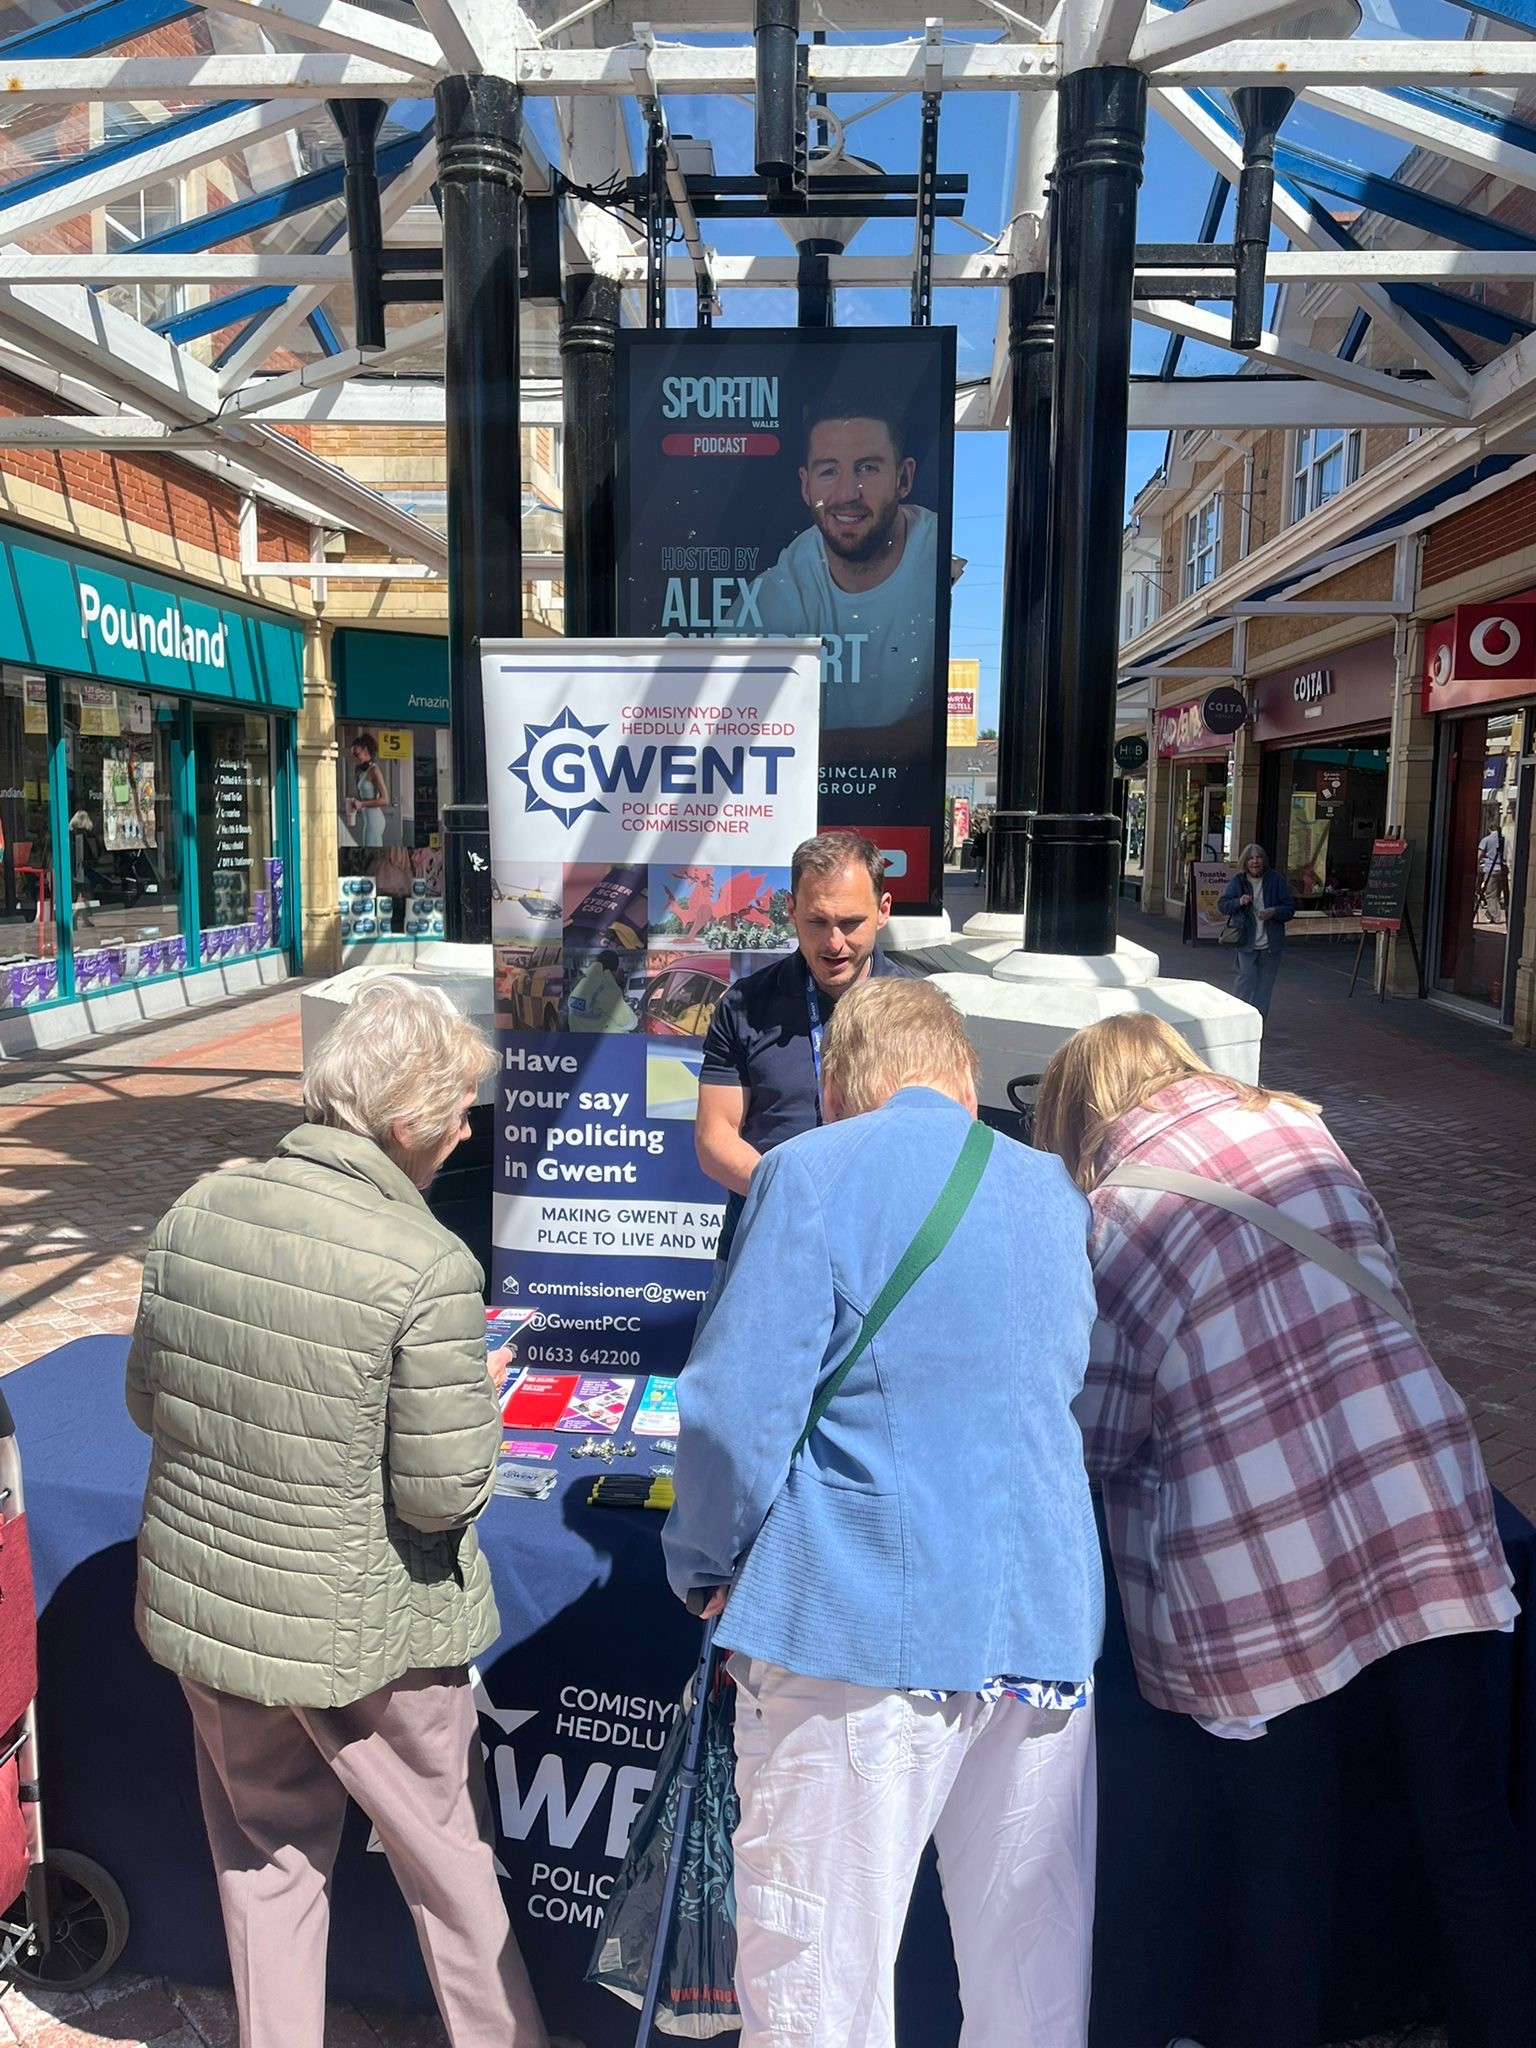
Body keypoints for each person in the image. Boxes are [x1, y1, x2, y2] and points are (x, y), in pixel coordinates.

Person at [1034, 1012, 1533, 2048]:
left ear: (1080, 1112)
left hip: (1263, 1567)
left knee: (1282, 1863)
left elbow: (1105, 1433)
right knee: (1470, 1830)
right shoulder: (1306, 1130)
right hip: (1418, 1501)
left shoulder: (1113, 1215)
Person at [665, 978, 1103, 2048]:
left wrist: (704, 1566)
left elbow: (733, 1413)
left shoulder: (808, 1172)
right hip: (1040, 1623)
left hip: (858, 1625)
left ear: (834, 1085)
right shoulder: (1055, 1192)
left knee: (823, 1981)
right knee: (1031, 1973)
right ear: (960, 1075)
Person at [125, 977, 548, 2048]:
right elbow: (441, 1491)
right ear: (408, 1125)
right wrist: (474, 1398)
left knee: (263, 1864)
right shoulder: (427, 1264)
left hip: (218, 1614)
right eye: (460, 1108)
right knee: (451, 1873)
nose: (469, 1126)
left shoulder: (198, 1208)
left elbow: (147, 1399)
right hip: (374, 1633)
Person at [695, 830, 909, 1269]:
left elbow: (954, 1131)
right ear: (790, 910)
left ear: (883, 910)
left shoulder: (919, 1012)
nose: (834, 943)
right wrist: (788, 1192)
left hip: (882, 1243)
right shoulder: (744, 1005)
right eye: (817, 922)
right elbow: (714, 1137)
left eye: (851, 923)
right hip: (767, 1235)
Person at [745, 396, 939, 747]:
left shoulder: (938, 557)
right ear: (806, 486)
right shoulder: (782, 585)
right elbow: (719, 714)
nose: (848, 493)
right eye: (829, 471)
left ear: (904, 477)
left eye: (868, 468)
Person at [1218, 843, 1295, 1018]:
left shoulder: (1275, 879)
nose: (1255, 861)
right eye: (1251, 858)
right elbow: (1222, 905)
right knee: (1245, 981)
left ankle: (1258, 1026)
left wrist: (1274, 911)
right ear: (1245, 862)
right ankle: (1237, 1018)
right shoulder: (1239, 881)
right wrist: (1239, 901)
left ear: (1264, 860)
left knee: (1264, 989)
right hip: (1247, 943)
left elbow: (1290, 908)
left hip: (1271, 945)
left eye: (1258, 857)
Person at [346, 732, 391, 849]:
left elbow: (385, 800)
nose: (355, 758)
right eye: (354, 755)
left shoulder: (374, 770)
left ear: (366, 750)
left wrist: (362, 804)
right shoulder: (361, 771)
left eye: (357, 754)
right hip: (368, 817)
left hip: (374, 819)